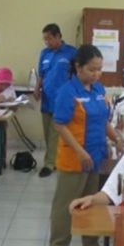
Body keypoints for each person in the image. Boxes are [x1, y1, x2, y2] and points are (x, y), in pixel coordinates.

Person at [46, 45, 120, 246]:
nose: (96, 74)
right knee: (66, 202)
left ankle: (90, 242)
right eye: (92, 69)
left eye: (99, 69)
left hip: (95, 155)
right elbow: (59, 125)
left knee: (91, 200)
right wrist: (79, 151)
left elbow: (103, 120)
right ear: (78, 68)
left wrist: (117, 139)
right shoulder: (68, 92)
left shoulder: (99, 90)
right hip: (74, 157)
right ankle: (57, 243)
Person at [35, 23, 77, 177]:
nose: (47, 42)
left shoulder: (71, 52)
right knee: (48, 132)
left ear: (58, 36)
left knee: (56, 132)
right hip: (47, 99)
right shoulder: (44, 53)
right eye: (45, 39)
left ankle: (50, 164)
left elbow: (77, 75)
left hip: (63, 99)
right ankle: (54, 160)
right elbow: (41, 74)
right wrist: (37, 88)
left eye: (49, 39)